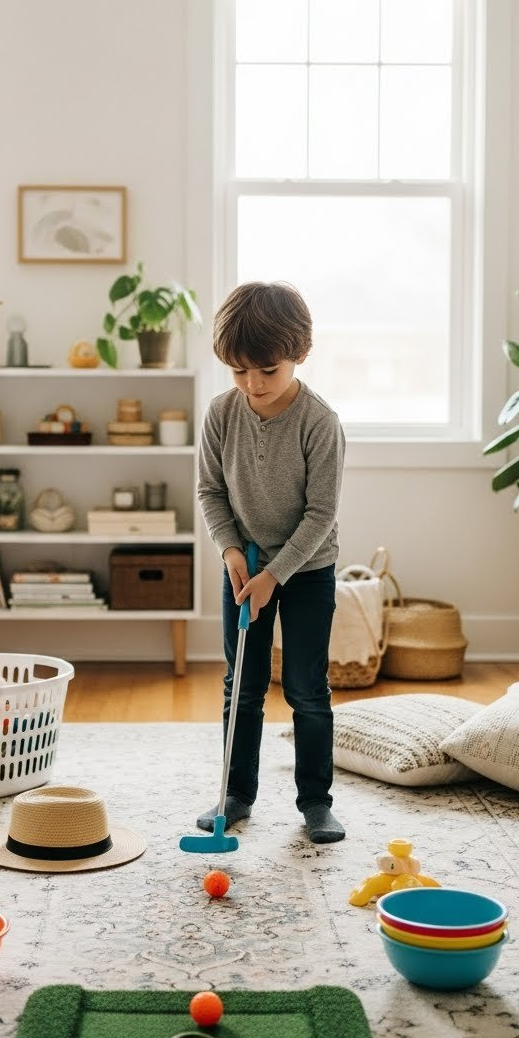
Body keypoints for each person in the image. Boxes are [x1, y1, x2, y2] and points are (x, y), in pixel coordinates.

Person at [196, 280, 346, 844]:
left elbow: (322, 513)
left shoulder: (318, 421)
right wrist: (233, 553)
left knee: (307, 688)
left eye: (267, 371)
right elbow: (211, 492)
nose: (252, 385)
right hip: (243, 567)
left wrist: (274, 576)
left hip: (305, 570)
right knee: (242, 686)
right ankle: (235, 795)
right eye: (239, 372)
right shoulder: (220, 414)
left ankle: (315, 802)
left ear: (299, 355)